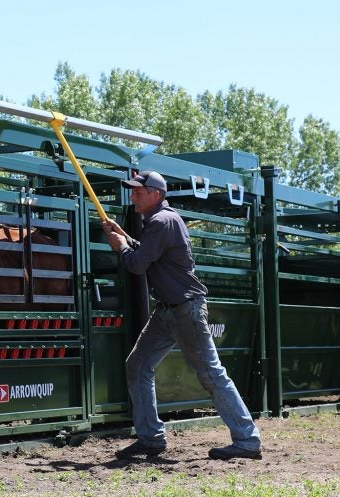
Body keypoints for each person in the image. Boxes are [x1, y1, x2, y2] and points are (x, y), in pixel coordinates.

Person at [102, 170, 262, 460]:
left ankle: (247, 441)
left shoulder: (162, 221)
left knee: (211, 374)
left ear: (155, 194)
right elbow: (149, 254)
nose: (132, 195)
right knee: (137, 366)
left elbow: (137, 265)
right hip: (169, 311)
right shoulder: (162, 221)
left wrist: (121, 246)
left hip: (184, 310)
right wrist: (125, 236)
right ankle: (150, 439)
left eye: (138, 191)